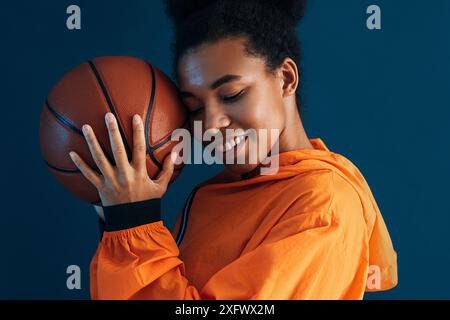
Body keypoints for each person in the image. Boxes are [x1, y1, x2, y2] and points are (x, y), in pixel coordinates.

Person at [69, 0, 398, 299]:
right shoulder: (219, 193)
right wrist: (119, 217)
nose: (211, 124)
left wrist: (134, 225)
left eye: (232, 94)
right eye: (195, 107)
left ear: (285, 78)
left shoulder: (322, 205)